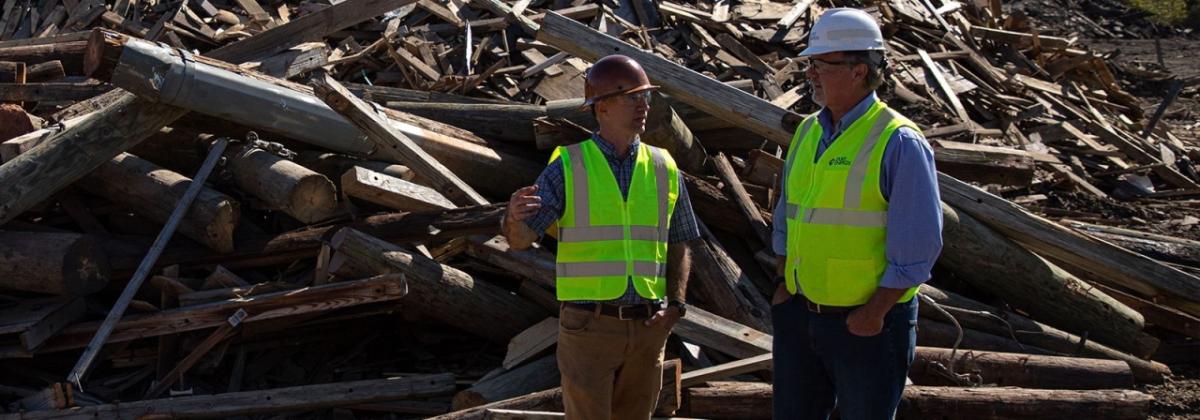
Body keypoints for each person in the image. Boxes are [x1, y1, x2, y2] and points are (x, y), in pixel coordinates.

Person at [500, 54, 700, 420]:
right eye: (631, 97)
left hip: (647, 325)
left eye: (646, 96)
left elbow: (681, 240)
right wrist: (513, 218)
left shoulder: (663, 166)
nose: (643, 105)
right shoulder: (570, 165)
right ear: (601, 107)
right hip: (589, 327)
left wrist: (677, 305)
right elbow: (519, 240)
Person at [770, 8, 944, 420]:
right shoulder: (808, 131)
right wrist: (783, 285)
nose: (810, 73)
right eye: (810, 63)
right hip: (802, 314)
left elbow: (918, 247)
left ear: (859, 71)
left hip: (867, 327)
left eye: (821, 64)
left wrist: (873, 314)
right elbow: (786, 217)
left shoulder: (897, 141)